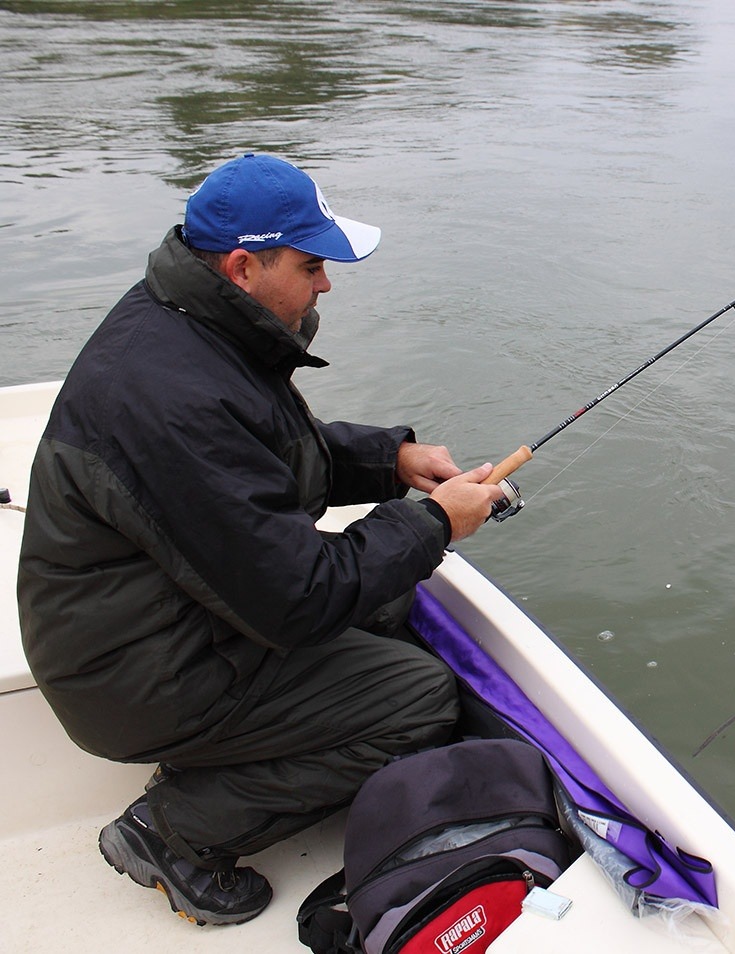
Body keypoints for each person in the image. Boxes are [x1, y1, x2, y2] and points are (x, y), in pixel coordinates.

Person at [17, 153, 508, 926]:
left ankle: (226, 750)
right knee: (418, 699)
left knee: (387, 602)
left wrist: (393, 460)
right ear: (244, 266)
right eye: (312, 264)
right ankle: (173, 833)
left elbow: (262, 462)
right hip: (129, 674)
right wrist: (436, 522)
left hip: (152, 622)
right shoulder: (175, 397)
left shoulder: (190, 324)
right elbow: (297, 600)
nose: (326, 284)